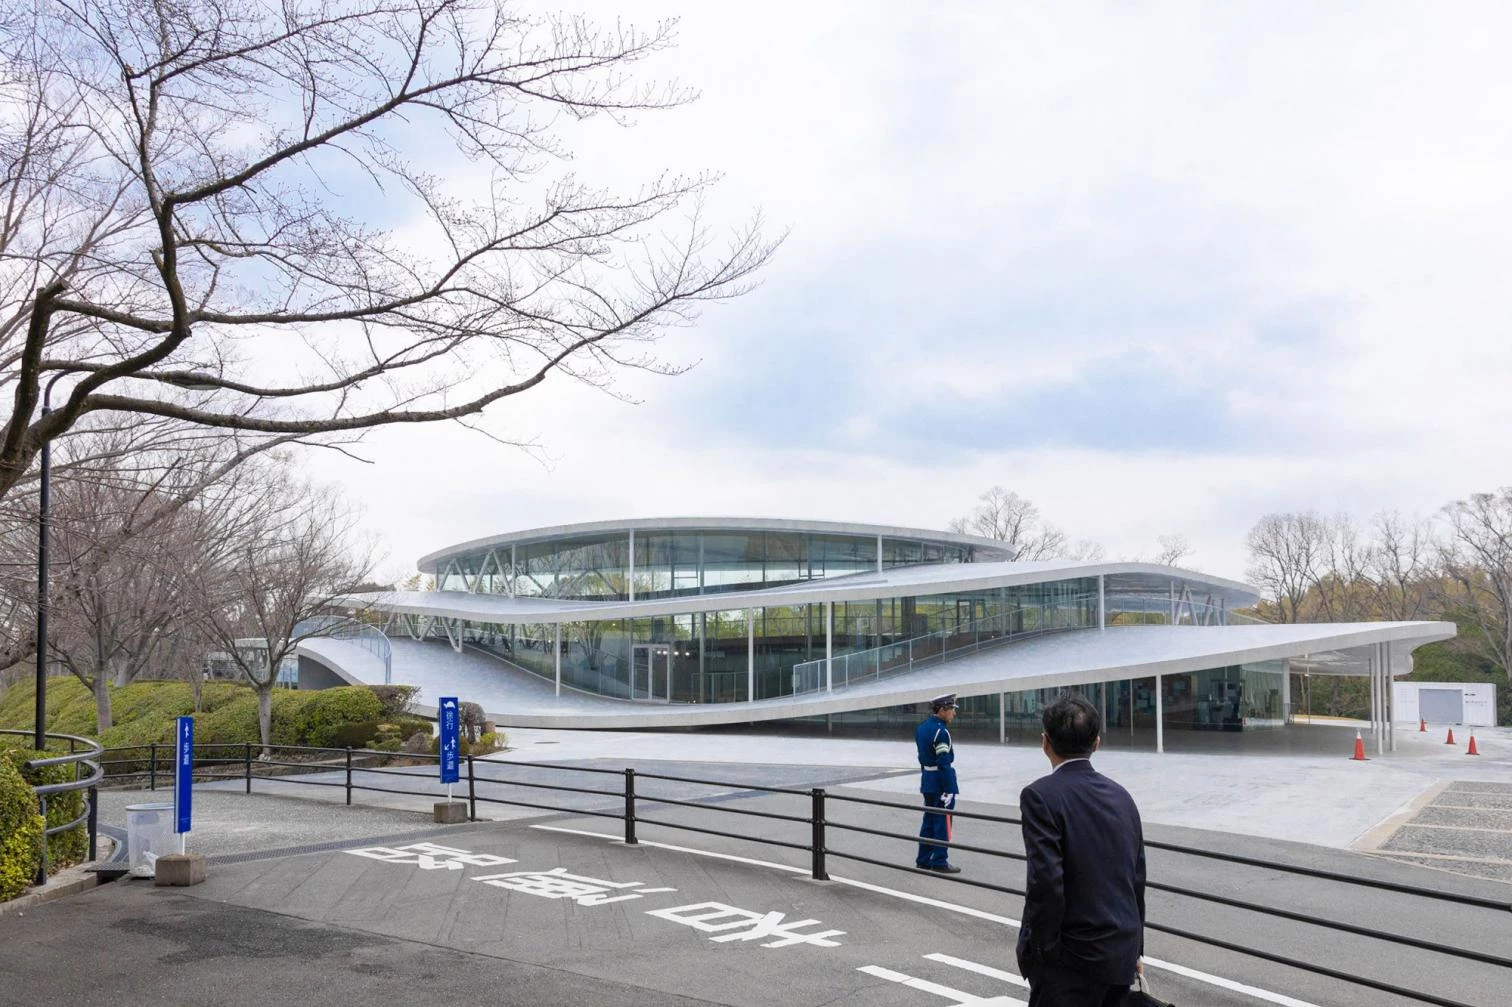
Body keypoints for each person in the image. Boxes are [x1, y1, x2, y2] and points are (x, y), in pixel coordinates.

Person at [1017, 692, 1145, 1006]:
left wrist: (1041, 951)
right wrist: (1136, 950)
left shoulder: (1040, 796)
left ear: (1045, 742)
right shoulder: (1122, 796)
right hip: (1120, 953)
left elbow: (1046, 882)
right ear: (1096, 743)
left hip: (1070, 960)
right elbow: (1136, 878)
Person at [915, 693, 961, 873]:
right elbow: (943, 762)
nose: (953, 713)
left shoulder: (922, 728)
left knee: (928, 820)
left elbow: (921, 757)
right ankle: (940, 861)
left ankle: (923, 859)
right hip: (940, 782)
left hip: (927, 779)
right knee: (943, 821)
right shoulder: (941, 732)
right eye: (951, 709)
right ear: (942, 710)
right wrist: (949, 789)